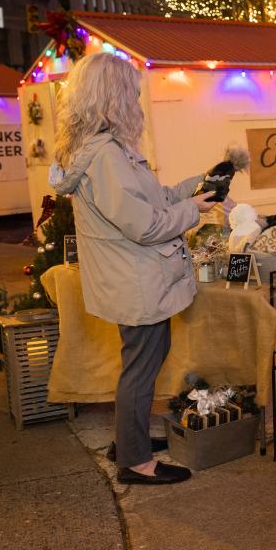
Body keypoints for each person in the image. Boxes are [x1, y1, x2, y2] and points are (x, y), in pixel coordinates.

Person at [49, 52, 218, 486]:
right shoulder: (105, 156)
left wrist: (196, 187)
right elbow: (146, 225)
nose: (137, 103)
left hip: (135, 277)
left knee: (141, 361)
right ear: (114, 97)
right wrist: (192, 209)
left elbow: (150, 197)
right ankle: (136, 462)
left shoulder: (103, 152)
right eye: (131, 93)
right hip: (137, 280)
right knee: (141, 368)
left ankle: (130, 443)